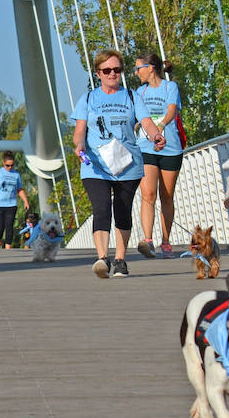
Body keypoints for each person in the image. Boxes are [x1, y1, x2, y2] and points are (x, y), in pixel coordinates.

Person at [72, 48, 168, 278]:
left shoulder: (132, 96)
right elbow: (80, 130)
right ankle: (102, 258)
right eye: (107, 70)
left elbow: (146, 122)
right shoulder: (88, 98)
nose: (112, 74)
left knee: (123, 211)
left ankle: (120, 259)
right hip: (96, 165)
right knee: (102, 208)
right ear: (98, 73)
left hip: (127, 164)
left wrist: (156, 135)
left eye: (116, 70)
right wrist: (79, 146)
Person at [132, 51, 183, 258]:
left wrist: (160, 126)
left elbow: (172, 110)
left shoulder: (170, 87)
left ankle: (166, 241)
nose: (136, 73)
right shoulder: (139, 92)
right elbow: (137, 116)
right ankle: (148, 241)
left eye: (138, 68)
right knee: (148, 194)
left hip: (170, 148)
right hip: (145, 147)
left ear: (150, 68)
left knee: (167, 196)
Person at [0, 150, 31, 249]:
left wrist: (25, 201)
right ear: (3, 163)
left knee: (9, 226)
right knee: (0, 227)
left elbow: (20, 189)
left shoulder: (16, 175)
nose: (10, 168)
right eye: (7, 165)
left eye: (12, 165)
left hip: (11, 204)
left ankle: (7, 249)